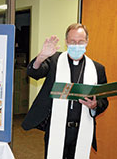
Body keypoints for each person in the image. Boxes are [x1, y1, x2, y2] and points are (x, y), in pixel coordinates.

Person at [21, 23, 108, 159]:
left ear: (87, 41)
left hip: (82, 129)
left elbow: (104, 101)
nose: (77, 45)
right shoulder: (54, 60)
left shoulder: (97, 69)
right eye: (73, 41)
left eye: (81, 41)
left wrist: (95, 105)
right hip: (56, 127)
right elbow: (34, 72)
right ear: (66, 41)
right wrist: (41, 57)